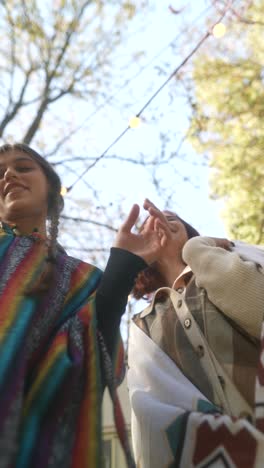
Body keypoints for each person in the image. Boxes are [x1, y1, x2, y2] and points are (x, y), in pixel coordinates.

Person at [0, 144, 166, 468]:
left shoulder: (81, 279)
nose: (9, 175)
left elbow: (96, 354)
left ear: (51, 190)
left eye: (23, 167)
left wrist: (122, 268)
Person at [127, 199, 264, 468]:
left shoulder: (234, 256)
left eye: (172, 217)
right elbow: (150, 412)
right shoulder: (143, 325)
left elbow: (259, 310)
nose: (162, 220)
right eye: (150, 223)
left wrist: (196, 250)